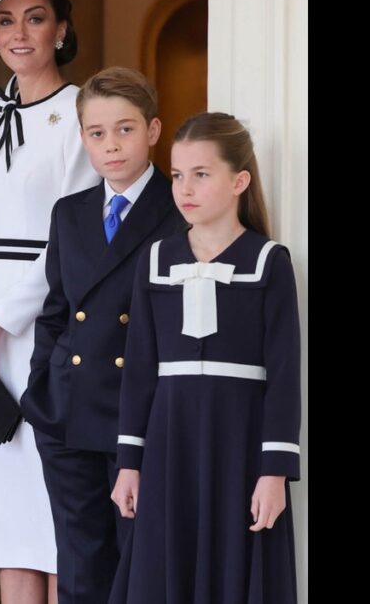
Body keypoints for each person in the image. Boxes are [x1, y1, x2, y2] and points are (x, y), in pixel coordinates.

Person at [0, 0, 106, 604]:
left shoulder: (82, 117)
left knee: (52, 521)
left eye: (35, 17)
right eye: (7, 20)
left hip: (42, 331)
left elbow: (70, 241)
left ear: (62, 28)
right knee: (8, 524)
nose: (19, 32)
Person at [108, 112, 301, 604]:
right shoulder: (155, 261)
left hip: (239, 448)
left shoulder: (268, 262)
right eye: (176, 175)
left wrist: (273, 472)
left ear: (239, 181)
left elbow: (283, 376)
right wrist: (130, 463)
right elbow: (140, 373)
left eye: (201, 174)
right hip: (169, 447)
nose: (184, 188)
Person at [21, 67, 184, 604]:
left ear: (154, 130)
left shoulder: (180, 209)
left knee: (141, 567)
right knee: (80, 567)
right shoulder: (70, 213)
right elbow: (55, 313)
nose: (110, 145)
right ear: (82, 137)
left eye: (125, 129)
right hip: (67, 416)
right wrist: (41, 389)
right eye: (96, 133)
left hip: (142, 419)